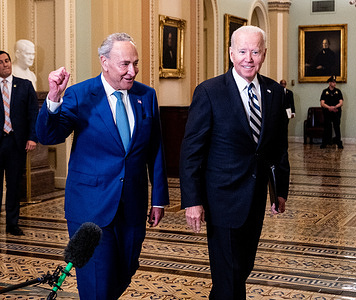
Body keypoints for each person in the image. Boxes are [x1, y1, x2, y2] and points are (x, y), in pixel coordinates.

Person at [36, 33, 169, 299]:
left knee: (126, 269)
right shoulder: (80, 94)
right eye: (125, 64)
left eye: (136, 63)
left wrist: (159, 200)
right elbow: (49, 136)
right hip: (90, 207)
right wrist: (53, 97)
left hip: (131, 205)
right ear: (104, 62)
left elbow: (155, 150)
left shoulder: (147, 96)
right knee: (96, 281)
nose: (132, 71)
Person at [179, 26, 290, 300]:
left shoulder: (275, 92)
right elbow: (191, 151)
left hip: (255, 201)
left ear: (264, 54)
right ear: (231, 54)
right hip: (221, 200)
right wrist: (192, 201)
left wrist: (280, 191)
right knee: (228, 276)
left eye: (255, 51)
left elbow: (278, 148)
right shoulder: (209, 91)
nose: (248, 58)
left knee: (241, 269)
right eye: (242, 51)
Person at [0, 51, 38, 236]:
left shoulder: (24, 85)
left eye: (7, 60)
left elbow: (33, 114)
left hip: (16, 143)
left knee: (14, 185)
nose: (5, 64)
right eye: (1, 62)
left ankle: (12, 224)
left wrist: (32, 137)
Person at [320, 75, 344, 149]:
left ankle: (339, 143)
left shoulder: (338, 91)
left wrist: (334, 107)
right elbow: (322, 103)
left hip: (336, 112)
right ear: (329, 83)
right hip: (327, 112)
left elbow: (341, 102)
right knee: (327, 127)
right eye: (333, 82)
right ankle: (325, 142)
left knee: (337, 127)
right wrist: (329, 108)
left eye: (335, 82)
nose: (335, 84)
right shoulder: (325, 91)